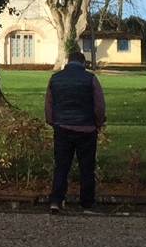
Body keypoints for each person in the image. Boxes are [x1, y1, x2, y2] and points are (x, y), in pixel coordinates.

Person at [45, 50, 106, 214]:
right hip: (86, 128)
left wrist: (52, 121)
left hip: (62, 127)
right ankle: (87, 204)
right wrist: (98, 123)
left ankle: (56, 200)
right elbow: (99, 104)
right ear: (83, 63)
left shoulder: (55, 78)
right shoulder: (91, 78)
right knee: (87, 167)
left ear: (68, 61)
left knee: (61, 166)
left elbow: (49, 103)